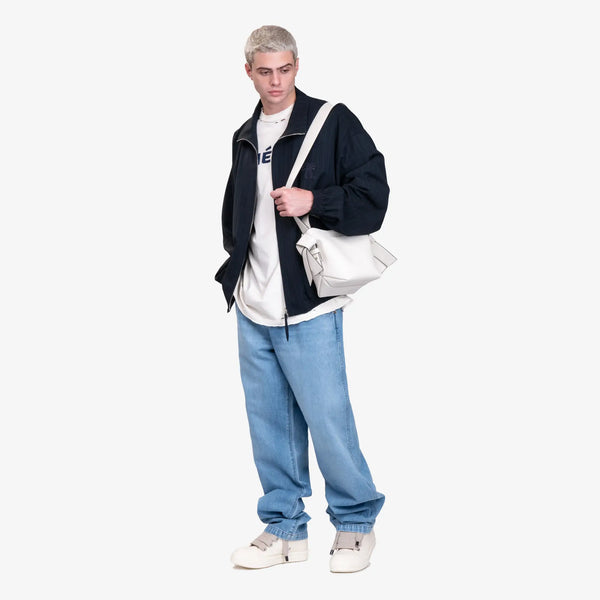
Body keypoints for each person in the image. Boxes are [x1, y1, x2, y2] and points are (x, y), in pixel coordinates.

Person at [215, 25, 389, 573]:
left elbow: (374, 198)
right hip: (253, 303)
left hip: (308, 304)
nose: (276, 81)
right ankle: (284, 529)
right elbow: (236, 211)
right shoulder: (245, 134)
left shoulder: (331, 121)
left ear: (297, 66)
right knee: (269, 426)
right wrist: (236, 271)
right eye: (265, 71)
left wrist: (315, 199)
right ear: (248, 72)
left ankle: (356, 523)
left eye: (285, 69)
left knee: (328, 420)